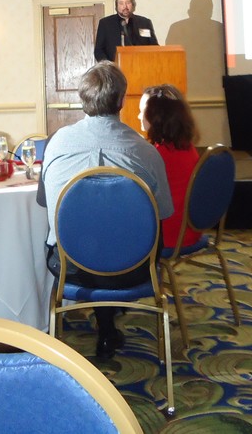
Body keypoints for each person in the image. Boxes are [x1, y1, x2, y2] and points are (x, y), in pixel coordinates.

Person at [37, 61, 172, 360]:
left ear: (82, 98)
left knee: (88, 238)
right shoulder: (146, 152)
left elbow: (46, 203)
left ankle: (101, 327)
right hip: (134, 267)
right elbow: (163, 213)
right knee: (114, 237)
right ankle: (107, 327)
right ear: (122, 100)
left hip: (70, 266)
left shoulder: (56, 143)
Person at [140, 84, 202, 251]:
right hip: (190, 230)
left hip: (167, 236)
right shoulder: (186, 147)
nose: (138, 116)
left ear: (157, 117)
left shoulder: (157, 155)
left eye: (142, 111)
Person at [93, 0, 158, 62]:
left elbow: (154, 47)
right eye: (121, 3)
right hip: (115, 67)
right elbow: (98, 51)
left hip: (141, 65)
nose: (125, 6)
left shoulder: (144, 22)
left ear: (132, 5)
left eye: (128, 3)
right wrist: (110, 66)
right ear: (116, 6)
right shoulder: (105, 23)